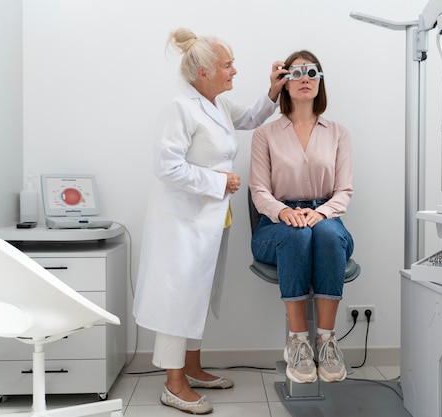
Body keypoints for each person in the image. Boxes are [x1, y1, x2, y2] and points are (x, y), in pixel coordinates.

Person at [133, 28, 286, 415]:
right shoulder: (180, 107)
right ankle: (173, 382)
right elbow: (166, 167)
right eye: (227, 64)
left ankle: (193, 367)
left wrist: (272, 90)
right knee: (178, 297)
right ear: (203, 72)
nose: (234, 70)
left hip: (212, 218)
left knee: (200, 293)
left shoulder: (217, 103)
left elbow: (250, 117)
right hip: (181, 222)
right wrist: (219, 181)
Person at [249, 50, 354, 385]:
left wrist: (319, 213)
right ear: (284, 82)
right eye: (296, 73)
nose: (305, 78)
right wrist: (284, 212)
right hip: (276, 225)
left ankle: (326, 341)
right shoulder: (264, 135)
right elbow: (259, 191)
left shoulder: (338, 132)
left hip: (327, 218)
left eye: (312, 72)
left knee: (322, 233)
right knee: (297, 234)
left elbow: (344, 192)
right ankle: (297, 342)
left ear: (320, 80)